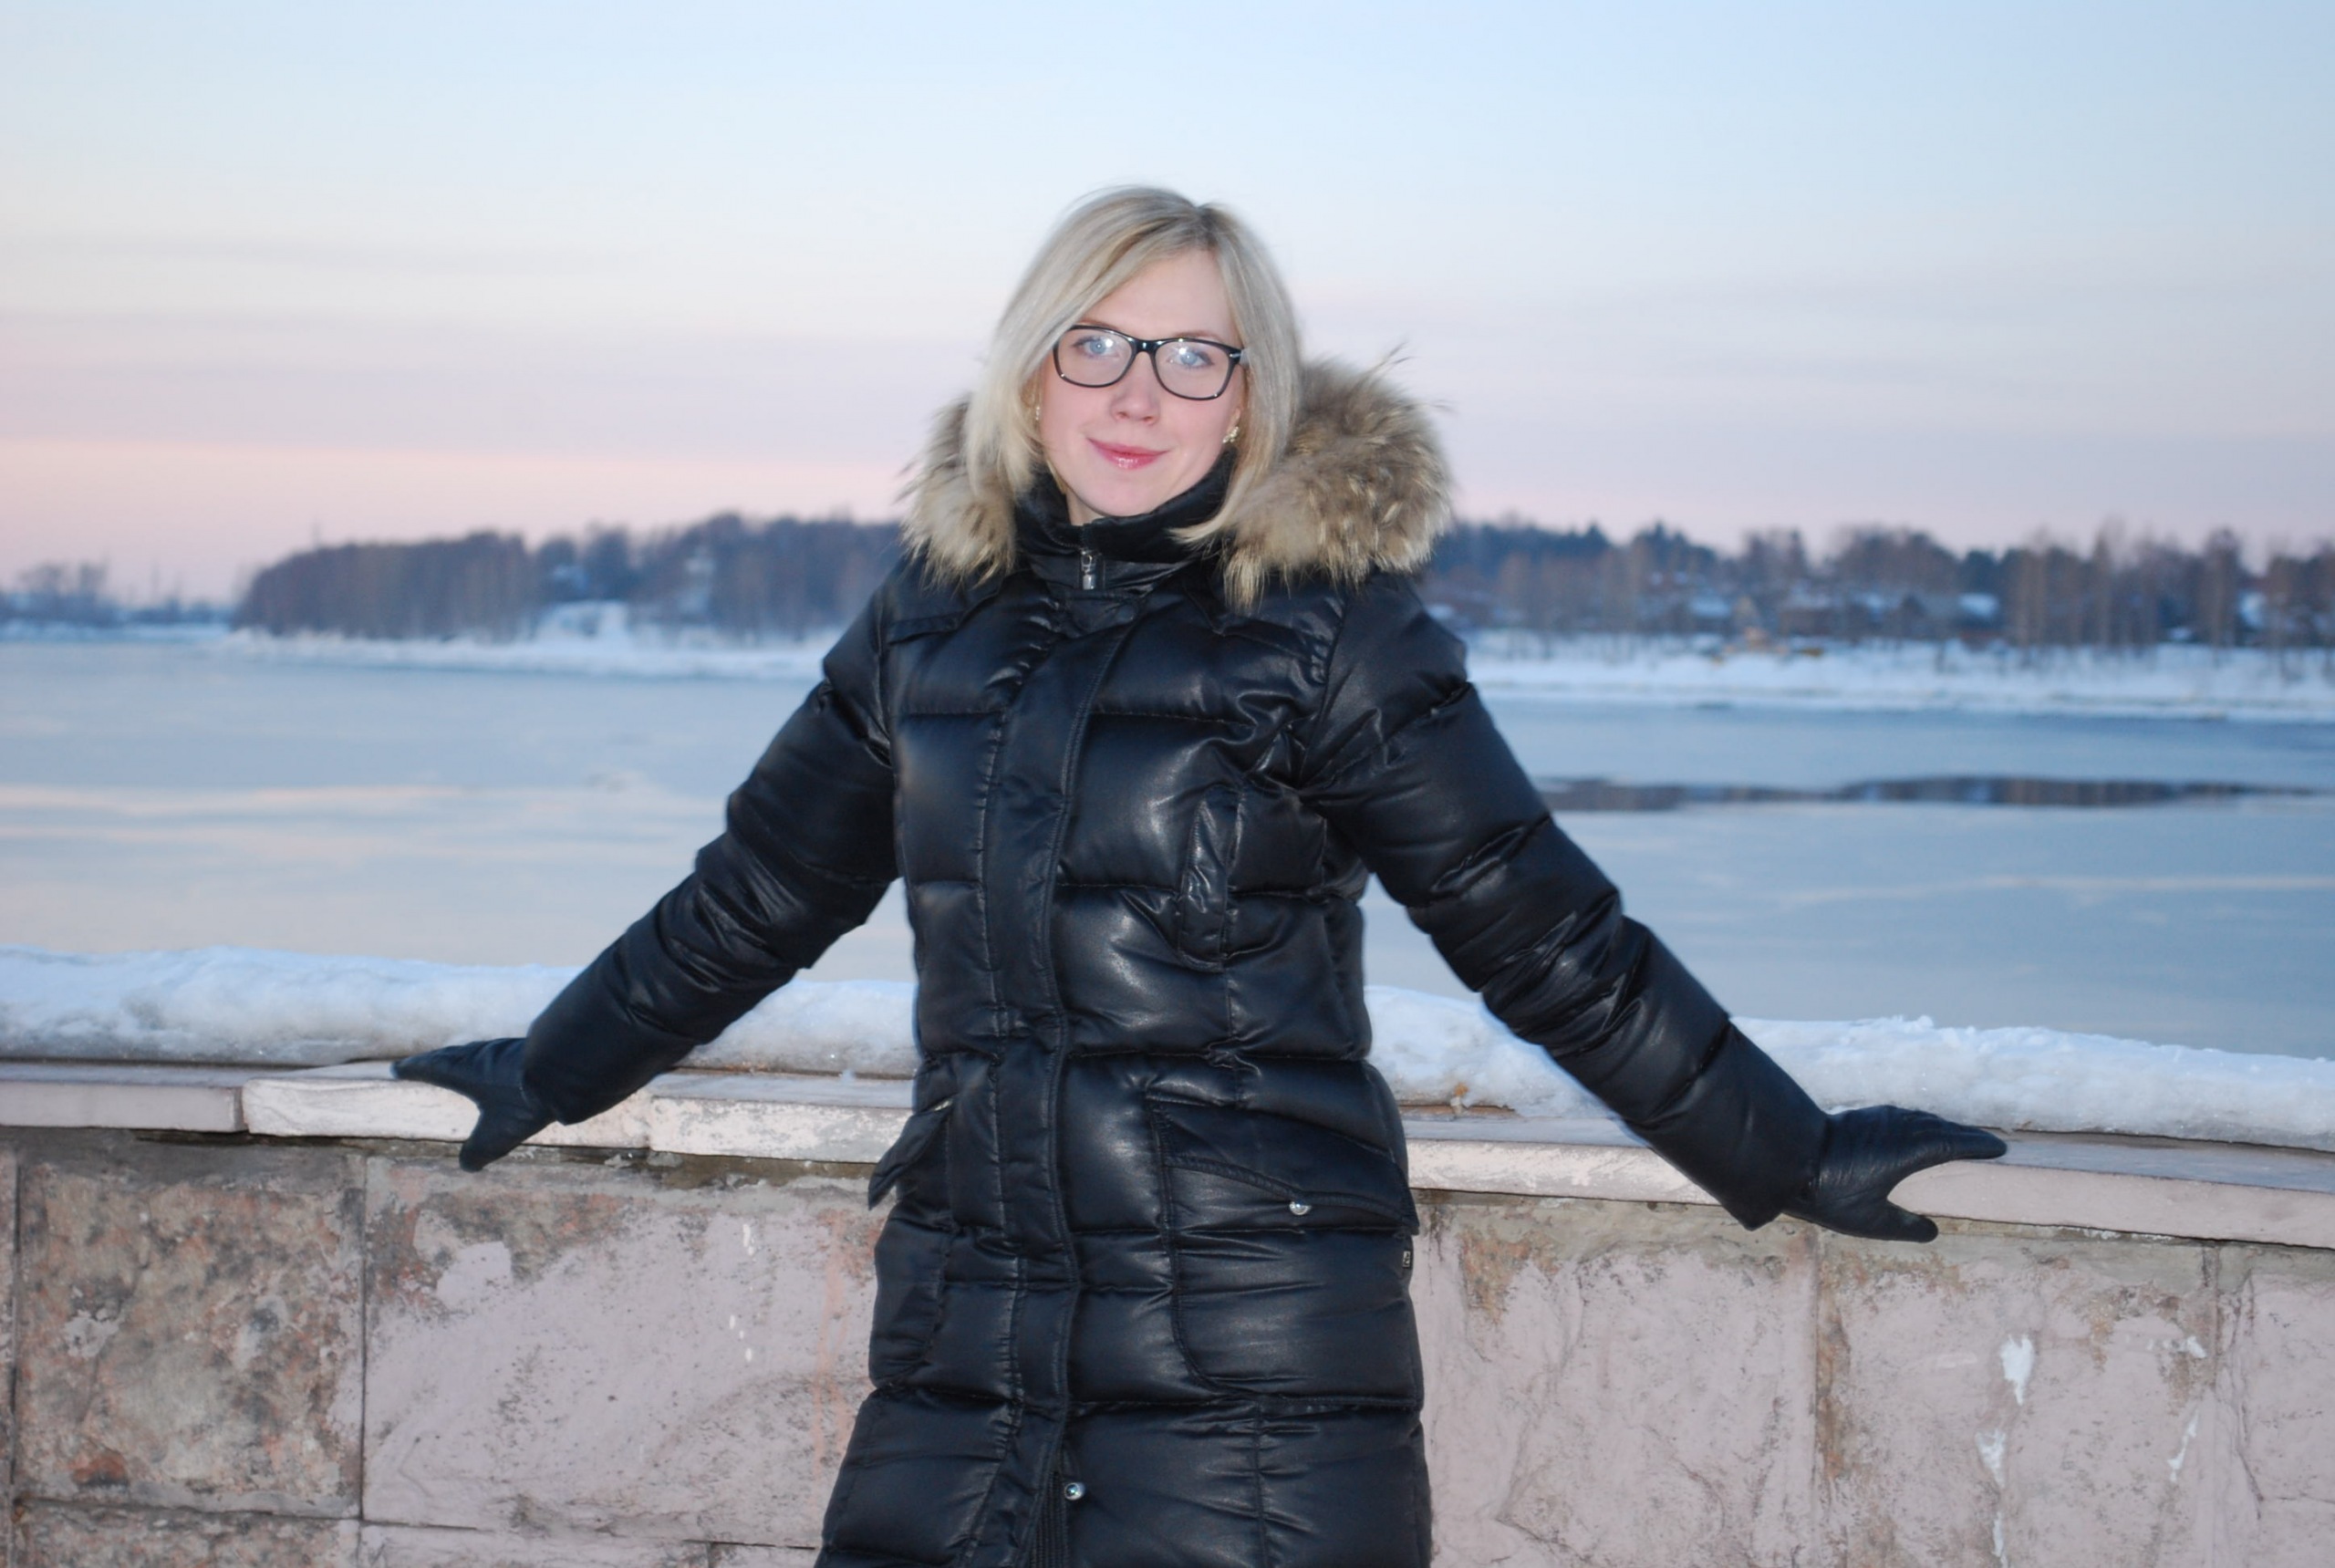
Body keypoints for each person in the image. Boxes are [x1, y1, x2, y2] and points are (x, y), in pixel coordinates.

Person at [397, 187, 2006, 1568]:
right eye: (1095, 344)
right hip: (973, 1329)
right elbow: (760, 889)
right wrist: (551, 1065)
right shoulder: (926, 619)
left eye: (1192, 356)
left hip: (1254, 1355)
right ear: (1031, 371)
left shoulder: (1332, 633)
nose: (1137, 394)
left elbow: (1543, 934)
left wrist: (1793, 1153)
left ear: (1248, 398)